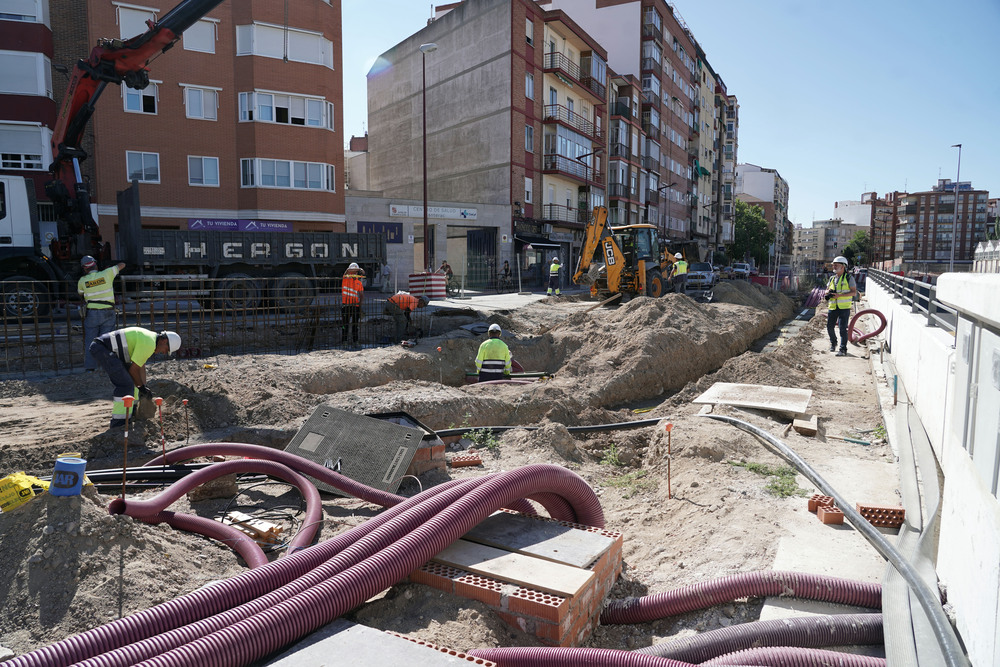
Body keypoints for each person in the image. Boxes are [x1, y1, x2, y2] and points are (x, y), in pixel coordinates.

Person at [88, 327, 180, 429]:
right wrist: (142, 387)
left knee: (134, 382)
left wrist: (143, 387)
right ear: (164, 341)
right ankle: (119, 424)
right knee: (125, 385)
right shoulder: (149, 344)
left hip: (106, 349)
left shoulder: (150, 339)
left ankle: (133, 412)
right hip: (102, 349)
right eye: (166, 350)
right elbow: (133, 370)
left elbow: (140, 366)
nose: (163, 353)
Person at [78, 255, 126, 371]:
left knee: (91, 341)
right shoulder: (107, 273)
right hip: (108, 312)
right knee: (107, 341)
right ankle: (107, 367)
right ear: (95, 264)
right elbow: (122, 264)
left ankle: (90, 368)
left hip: (92, 314)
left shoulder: (82, 281)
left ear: (84, 268)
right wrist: (109, 269)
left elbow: (81, 294)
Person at [825, 255, 857, 357]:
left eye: (836, 265)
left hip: (844, 308)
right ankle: (833, 342)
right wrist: (828, 292)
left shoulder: (849, 278)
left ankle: (843, 349)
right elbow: (826, 289)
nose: (834, 267)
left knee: (842, 329)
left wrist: (840, 295)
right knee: (829, 327)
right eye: (833, 265)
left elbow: (853, 293)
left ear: (843, 266)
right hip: (833, 307)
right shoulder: (832, 278)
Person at [341, 262, 364, 346]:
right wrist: (358, 269)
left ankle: (355, 341)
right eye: (353, 271)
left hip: (355, 306)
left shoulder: (359, 283)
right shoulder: (345, 279)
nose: (354, 273)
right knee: (345, 325)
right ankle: (344, 341)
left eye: (356, 272)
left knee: (355, 325)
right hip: (346, 306)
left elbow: (361, 295)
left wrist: (360, 307)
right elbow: (346, 271)